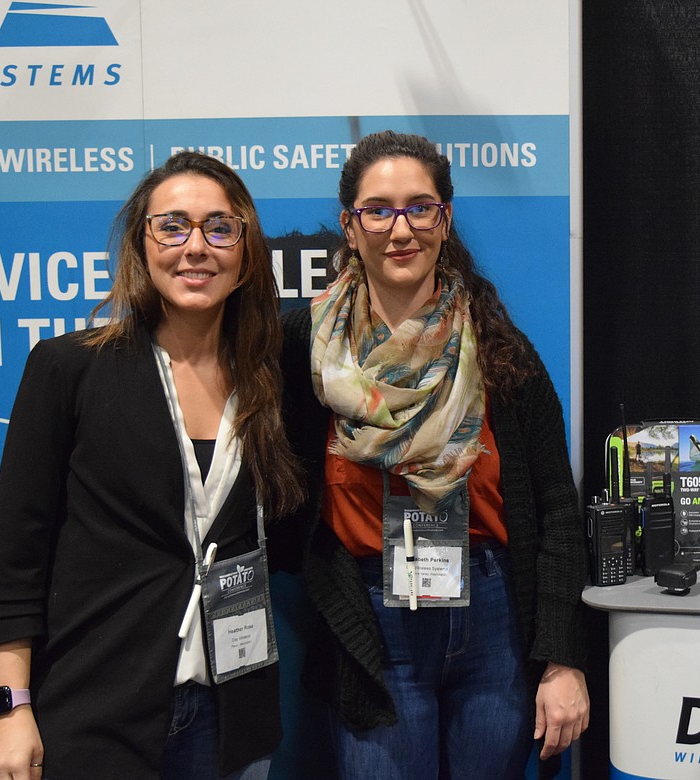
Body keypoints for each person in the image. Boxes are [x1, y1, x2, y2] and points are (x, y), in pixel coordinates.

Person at [0, 151, 303, 780]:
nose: (195, 248)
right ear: (141, 242)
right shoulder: (70, 369)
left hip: (234, 716)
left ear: (245, 249)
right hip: (101, 708)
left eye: (219, 227)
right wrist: (9, 708)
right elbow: (17, 552)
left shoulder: (272, 381)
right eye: (172, 226)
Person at [281, 130, 590, 779]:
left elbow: (558, 510)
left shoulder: (500, 349)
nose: (401, 229)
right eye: (379, 209)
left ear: (444, 220)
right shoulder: (304, 347)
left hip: (493, 627)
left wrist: (562, 660)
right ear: (350, 223)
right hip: (372, 629)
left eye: (420, 207)